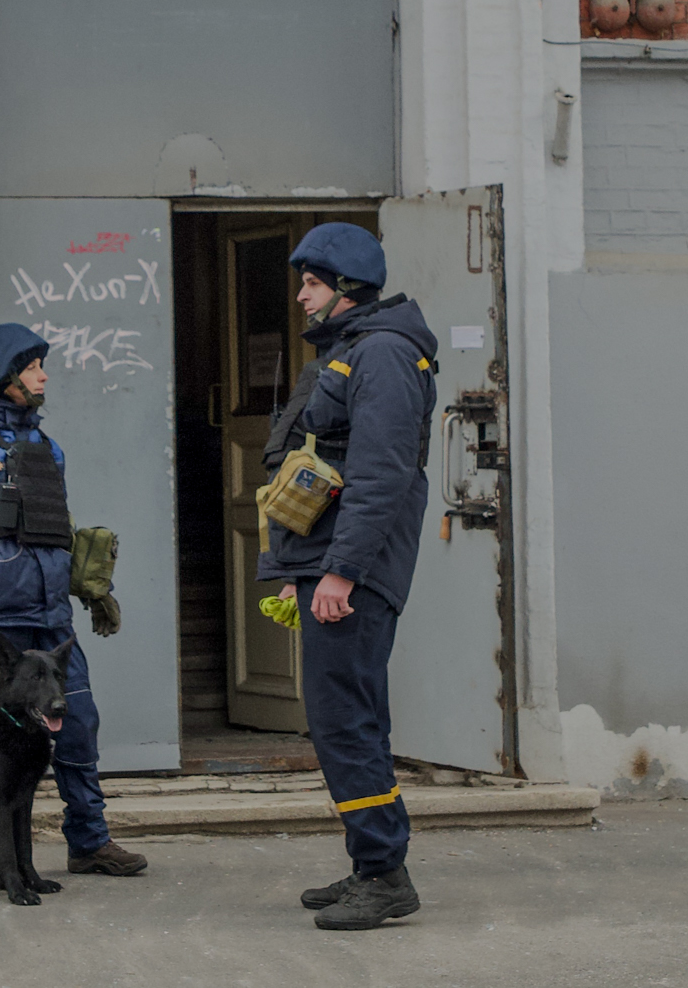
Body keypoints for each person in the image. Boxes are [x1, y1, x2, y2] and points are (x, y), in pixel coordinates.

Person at [0, 321, 147, 878]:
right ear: (5, 377)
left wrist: (90, 587)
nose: (44, 375)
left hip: (51, 618)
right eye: (33, 366)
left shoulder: (47, 446)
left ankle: (89, 842)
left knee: (78, 724)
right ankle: (9, 862)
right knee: (3, 748)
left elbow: (53, 529)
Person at [259, 222, 438, 930]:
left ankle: (386, 875)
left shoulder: (386, 354)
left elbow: (380, 475)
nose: (301, 297)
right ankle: (372, 864)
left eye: (311, 284)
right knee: (344, 718)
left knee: (346, 721)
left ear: (346, 287)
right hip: (329, 565)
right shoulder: (351, 352)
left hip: (353, 573)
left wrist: (340, 574)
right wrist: (292, 572)